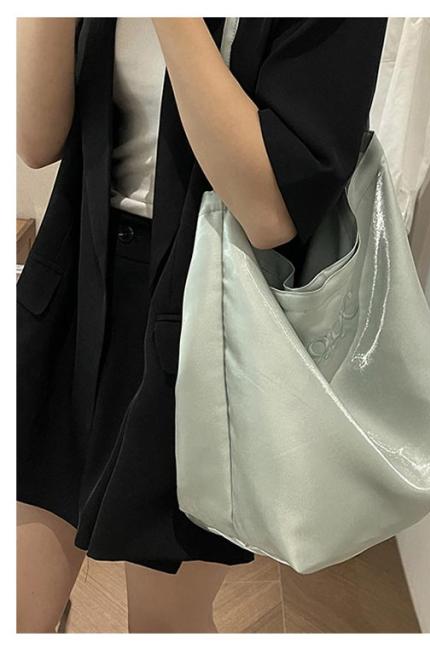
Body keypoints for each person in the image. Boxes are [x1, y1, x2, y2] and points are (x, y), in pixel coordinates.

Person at [16, 17, 388, 633]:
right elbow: (36, 140)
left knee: (164, 625)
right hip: (77, 283)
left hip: (206, 320)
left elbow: (270, 211)